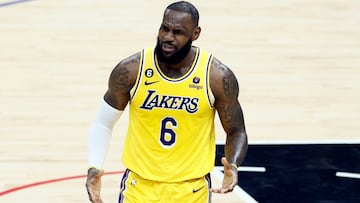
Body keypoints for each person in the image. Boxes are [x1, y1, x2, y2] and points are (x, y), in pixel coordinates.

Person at [85, 1, 248, 203]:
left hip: (192, 191)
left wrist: (232, 165)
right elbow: (103, 123)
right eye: (164, 28)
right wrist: (94, 166)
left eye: (178, 32)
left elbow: (236, 130)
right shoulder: (131, 70)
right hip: (139, 189)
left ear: (195, 34)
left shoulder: (216, 77)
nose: (168, 38)